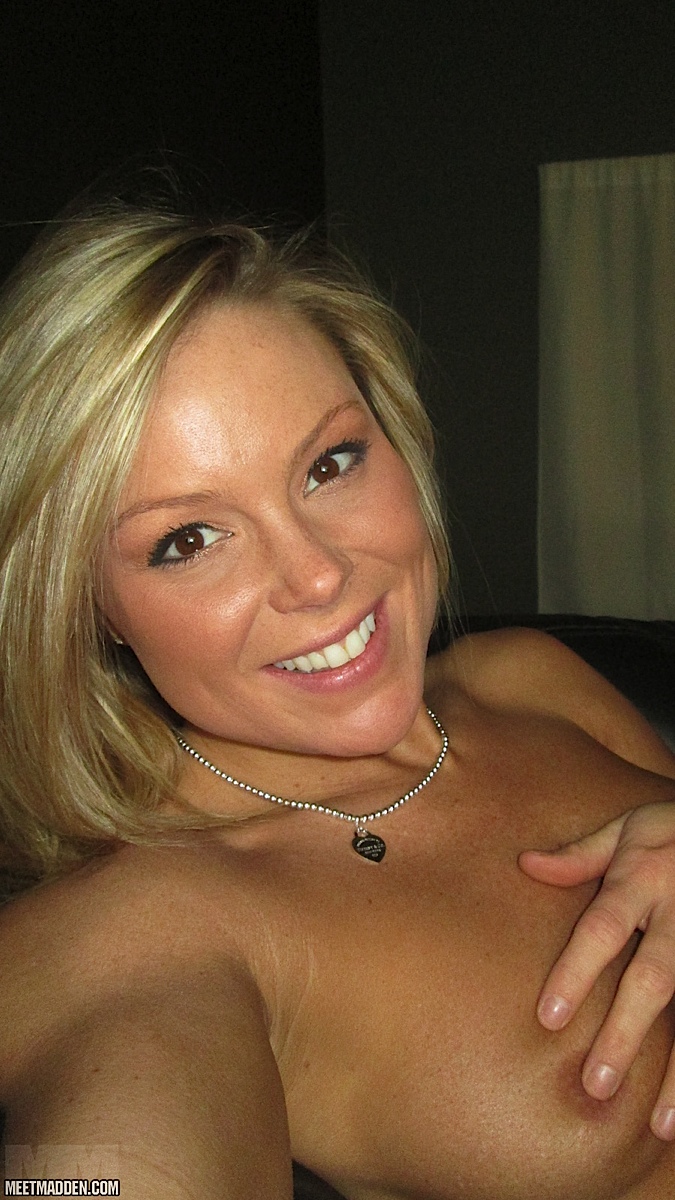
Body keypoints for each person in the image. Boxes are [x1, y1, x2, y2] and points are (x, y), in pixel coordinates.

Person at [1, 200, 675, 1200]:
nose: (316, 575)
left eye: (328, 464)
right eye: (187, 539)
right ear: (86, 607)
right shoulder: (145, 927)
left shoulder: (530, 680)